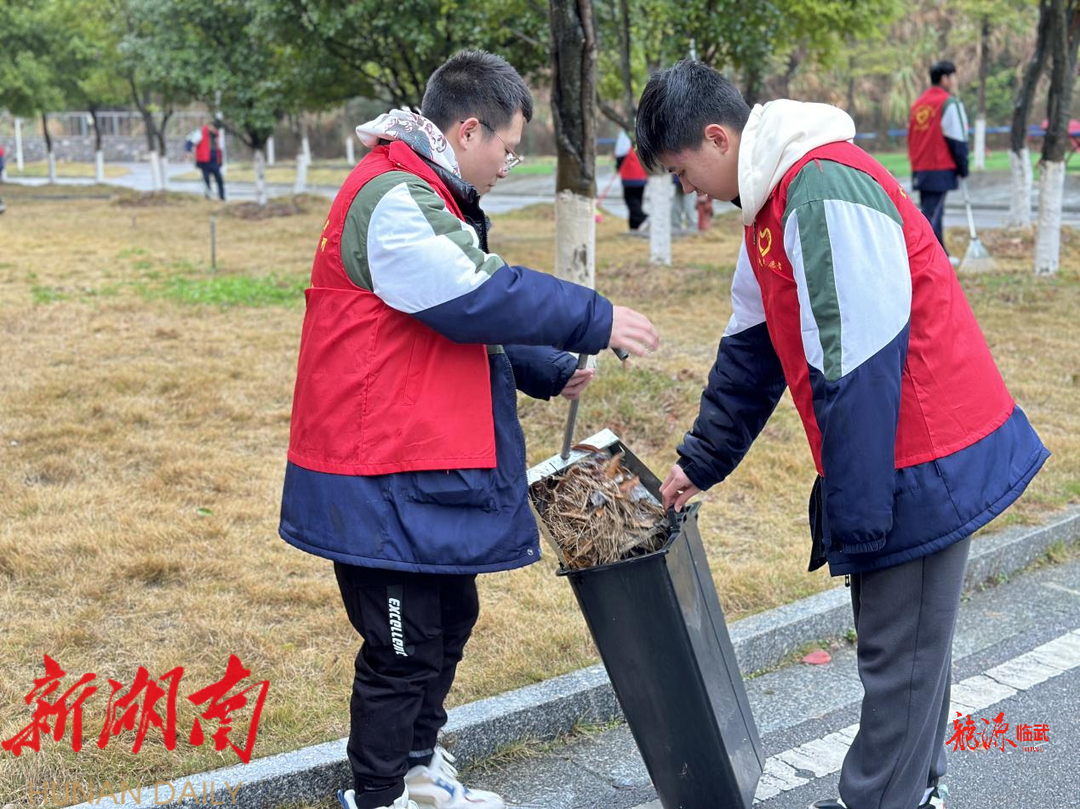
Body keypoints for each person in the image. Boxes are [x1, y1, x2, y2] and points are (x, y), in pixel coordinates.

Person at [636, 60, 1048, 809]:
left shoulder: (820, 188)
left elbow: (858, 364)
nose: (688, 189)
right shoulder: (768, 203)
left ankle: (883, 799)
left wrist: (859, 514)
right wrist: (701, 461)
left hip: (921, 452)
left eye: (682, 170)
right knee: (911, 651)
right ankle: (915, 791)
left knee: (898, 657)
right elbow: (751, 351)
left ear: (717, 138)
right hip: (895, 453)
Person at [279, 51, 659, 809]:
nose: (507, 167)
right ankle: (380, 793)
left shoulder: (427, 192)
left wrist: (548, 366)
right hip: (377, 469)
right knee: (402, 645)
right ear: (468, 130)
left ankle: (418, 770)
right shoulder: (393, 195)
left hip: (415, 463)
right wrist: (595, 316)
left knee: (449, 617)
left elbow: (451, 313)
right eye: (507, 149)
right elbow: (474, 294)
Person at [908, 60, 969, 250]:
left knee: (932, 212)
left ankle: (940, 253)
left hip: (921, 168)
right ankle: (922, 256)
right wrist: (963, 167)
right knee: (931, 217)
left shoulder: (918, 105)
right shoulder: (949, 104)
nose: (955, 82)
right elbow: (957, 139)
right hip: (940, 167)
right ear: (945, 79)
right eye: (953, 77)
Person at [614, 129, 648, 230]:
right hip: (641, 173)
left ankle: (642, 217)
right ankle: (634, 226)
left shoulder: (624, 133)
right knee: (638, 199)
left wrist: (618, 166)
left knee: (630, 199)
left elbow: (620, 152)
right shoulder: (641, 129)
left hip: (629, 173)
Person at [191, 119, 226, 200]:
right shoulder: (200, 132)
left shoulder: (218, 135)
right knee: (206, 179)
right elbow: (190, 141)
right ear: (210, 126)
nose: (215, 130)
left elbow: (220, 149)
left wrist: (220, 161)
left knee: (219, 178)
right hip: (204, 161)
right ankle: (208, 196)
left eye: (216, 129)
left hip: (214, 160)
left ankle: (221, 197)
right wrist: (188, 151)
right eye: (214, 128)